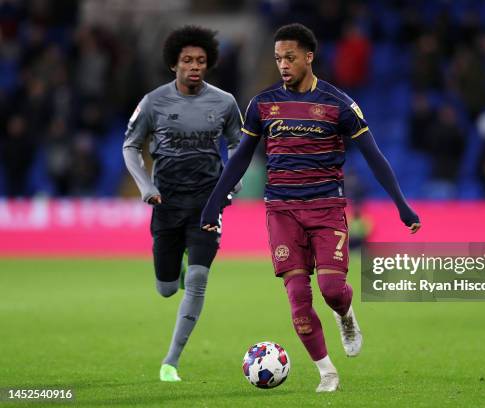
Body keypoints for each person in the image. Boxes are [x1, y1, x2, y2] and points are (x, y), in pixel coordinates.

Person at [200, 23, 420, 392]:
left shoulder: (339, 104)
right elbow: (239, 159)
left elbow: (374, 156)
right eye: (277, 58)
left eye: (289, 57)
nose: (283, 64)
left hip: (326, 208)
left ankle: (346, 315)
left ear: (309, 57)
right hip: (281, 212)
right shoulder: (263, 105)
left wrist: (401, 204)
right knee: (299, 297)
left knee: (332, 289)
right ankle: (327, 372)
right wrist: (214, 205)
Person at [122, 26, 242, 382]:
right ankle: (183, 261)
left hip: (207, 201)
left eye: (201, 61)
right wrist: (145, 186)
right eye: (187, 60)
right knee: (167, 289)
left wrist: (228, 187)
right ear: (174, 63)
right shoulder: (153, 101)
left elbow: (239, 146)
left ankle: (170, 361)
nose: (194, 66)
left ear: (208, 64)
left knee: (199, 278)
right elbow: (130, 146)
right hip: (167, 201)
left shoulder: (225, 102)